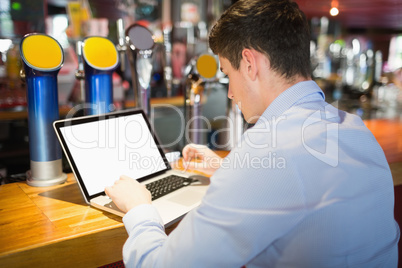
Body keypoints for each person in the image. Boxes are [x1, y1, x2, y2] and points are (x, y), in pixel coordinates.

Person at [105, 0, 400, 266]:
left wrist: (139, 207)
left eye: (228, 74)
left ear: (249, 63)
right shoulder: (354, 129)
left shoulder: (270, 147)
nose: (231, 92)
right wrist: (230, 169)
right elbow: (298, 187)